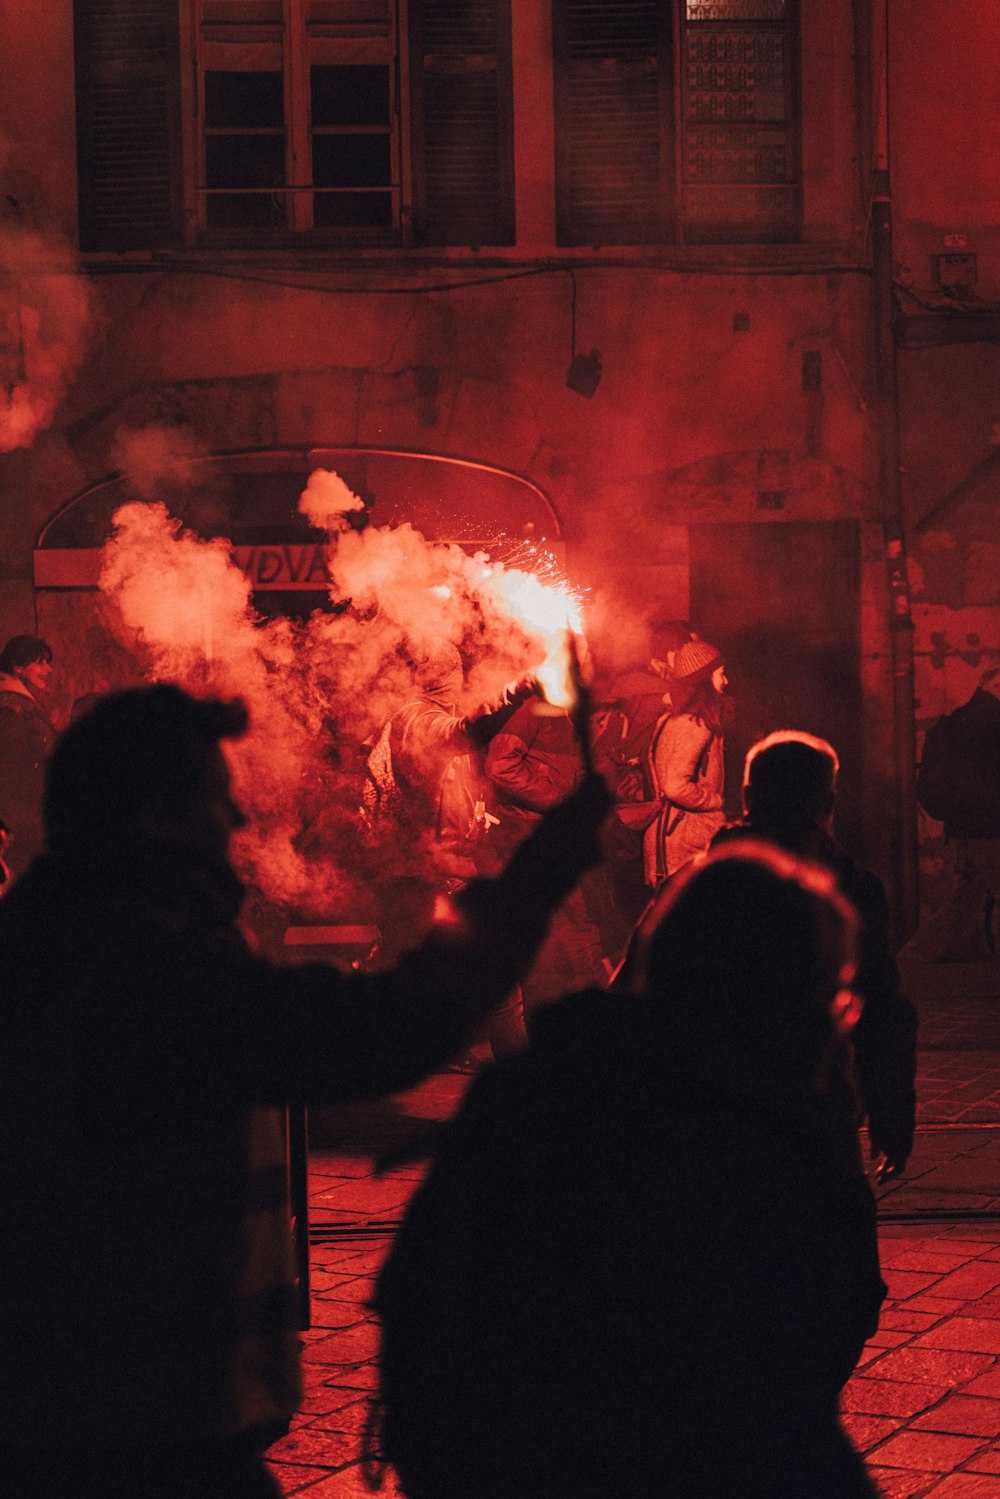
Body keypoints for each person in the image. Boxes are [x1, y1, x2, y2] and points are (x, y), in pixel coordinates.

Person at [0, 684, 610, 1498]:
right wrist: (543, 869)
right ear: (154, 820)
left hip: (81, 1421)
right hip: (136, 1435)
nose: (236, 825)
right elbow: (388, 1028)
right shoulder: (141, 976)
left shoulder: (45, 943)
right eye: (215, 804)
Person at [375, 843, 883, 1499]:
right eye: (830, 998)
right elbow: (782, 1403)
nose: (837, 1020)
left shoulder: (528, 1090)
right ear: (779, 1000)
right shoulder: (737, 1150)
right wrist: (837, 1161)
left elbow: (414, 1298)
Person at [713, 730, 918, 1180]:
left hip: (715, 1103)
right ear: (828, 803)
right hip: (816, 1102)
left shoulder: (700, 887)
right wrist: (891, 1117)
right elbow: (881, 1007)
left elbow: (641, 990)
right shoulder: (853, 890)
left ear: (747, 795)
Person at [478, 694, 608, 1051]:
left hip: (545, 833)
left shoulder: (565, 710)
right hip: (527, 834)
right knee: (576, 929)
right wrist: (556, 800)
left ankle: (564, 1032)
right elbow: (500, 765)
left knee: (558, 936)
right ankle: (604, 1028)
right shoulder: (535, 709)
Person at [915, 665, 1000, 959]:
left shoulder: (954, 724)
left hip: (965, 829)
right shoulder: (992, 724)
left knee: (963, 903)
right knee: (966, 903)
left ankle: (910, 962)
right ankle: (910, 963)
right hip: (991, 829)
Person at [644, 637, 729, 888]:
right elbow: (674, 786)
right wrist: (715, 801)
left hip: (667, 839)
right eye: (721, 674)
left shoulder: (671, 719)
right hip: (683, 845)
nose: (726, 681)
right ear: (704, 681)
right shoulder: (696, 725)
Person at [0, 634, 56, 880]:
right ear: (18, 668)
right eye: (40, 662)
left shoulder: (22, 708)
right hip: (23, 825)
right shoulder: (14, 711)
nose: (48, 669)